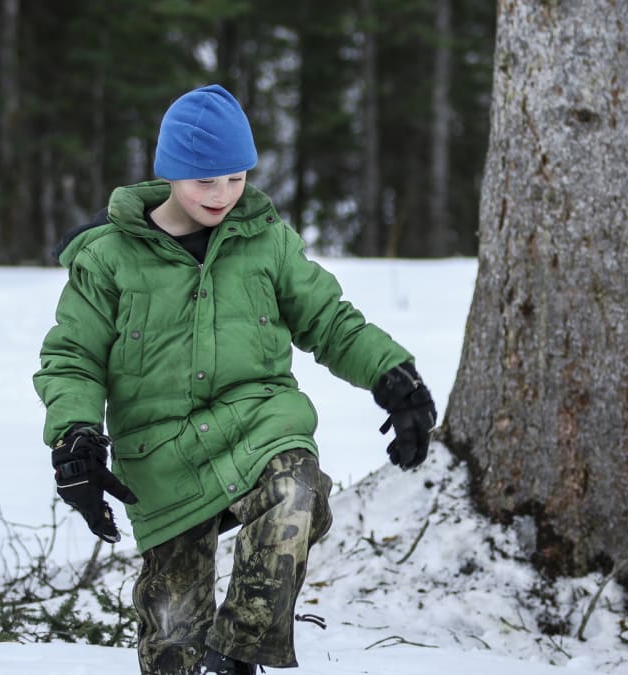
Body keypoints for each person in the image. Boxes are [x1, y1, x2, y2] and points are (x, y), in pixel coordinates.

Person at [33, 83, 437, 675]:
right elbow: (73, 357)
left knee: (296, 495)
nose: (223, 194)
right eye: (206, 180)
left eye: (236, 177)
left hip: (259, 428)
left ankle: (238, 655)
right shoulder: (109, 258)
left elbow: (330, 320)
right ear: (171, 172)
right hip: (162, 458)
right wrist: (73, 439)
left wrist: (393, 377)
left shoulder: (267, 243)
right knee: (172, 646)